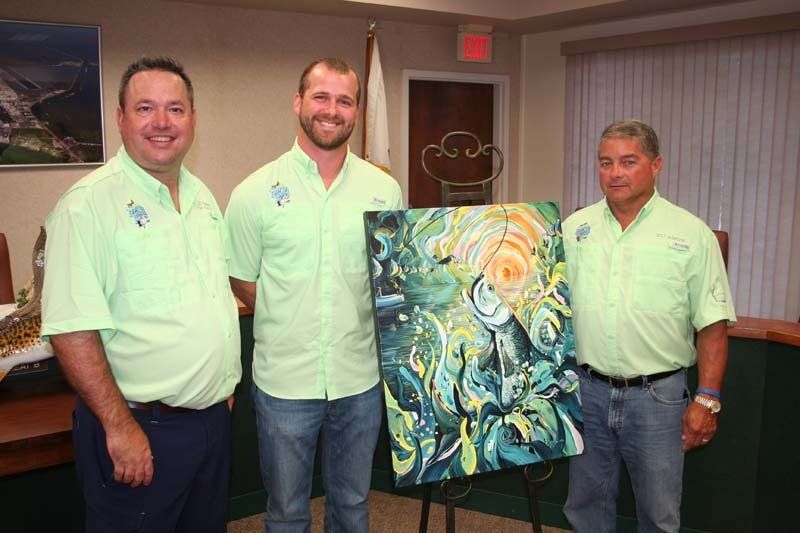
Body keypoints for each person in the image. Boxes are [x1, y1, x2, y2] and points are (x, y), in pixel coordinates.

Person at [41, 57, 241, 533]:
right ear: (120, 118)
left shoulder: (202, 197)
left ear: (193, 119)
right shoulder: (86, 207)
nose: (161, 123)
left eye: (175, 109)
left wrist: (219, 391)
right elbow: (72, 329)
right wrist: (119, 426)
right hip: (140, 429)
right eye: (145, 108)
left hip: (209, 425)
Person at [225, 57, 402, 532]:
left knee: (352, 507)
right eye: (321, 97)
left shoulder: (384, 190)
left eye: (344, 100)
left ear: (356, 110)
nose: (332, 110)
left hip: (358, 382)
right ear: (298, 102)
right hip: (285, 384)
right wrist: (290, 315)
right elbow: (242, 279)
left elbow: (390, 279)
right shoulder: (254, 193)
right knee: (286, 513)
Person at [562, 119, 736, 533]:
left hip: (657, 399)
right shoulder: (574, 229)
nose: (615, 172)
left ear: (656, 165)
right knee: (584, 507)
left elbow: (712, 327)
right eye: (606, 163)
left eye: (628, 161)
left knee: (658, 515)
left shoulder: (691, 235)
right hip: (586, 393)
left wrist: (707, 400)